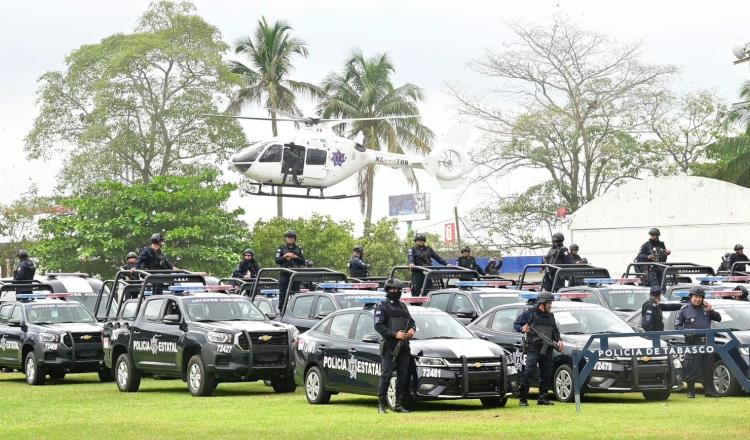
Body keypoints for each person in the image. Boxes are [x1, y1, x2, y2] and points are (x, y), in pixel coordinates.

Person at [513, 292, 563, 406]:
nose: (550, 305)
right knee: (529, 372)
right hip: (533, 348)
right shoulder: (529, 313)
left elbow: (555, 330)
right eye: (549, 303)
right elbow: (516, 324)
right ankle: (523, 399)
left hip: (547, 348)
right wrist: (522, 328)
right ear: (542, 303)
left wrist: (559, 340)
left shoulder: (551, 316)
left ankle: (543, 398)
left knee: (546, 373)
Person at [374, 278, 415, 414]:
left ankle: (398, 404)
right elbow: (378, 325)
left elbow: (412, 322)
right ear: (387, 290)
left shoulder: (403, 306)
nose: (395, 292)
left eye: (398, 290)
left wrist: (411, 330)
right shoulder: (382, 305)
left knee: (403, 376)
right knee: (386, 375)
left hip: (404, 345)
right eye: (393, 289)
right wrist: (394, 334)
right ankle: (381, 405)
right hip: (390, 346)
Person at [675, 286, 721, 398]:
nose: (698, 299)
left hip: (706, 342)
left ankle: (709, 391)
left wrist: (711, 310)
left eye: (700, 297)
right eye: (695, 297)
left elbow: (718, 318)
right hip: (692, 343)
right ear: (691, 297)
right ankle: (691, 391)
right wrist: (687, 331)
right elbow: (678, 326)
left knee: (708, 367)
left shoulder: (706, 309)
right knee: (692, 367)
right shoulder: (684, 310)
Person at [275, 230, 305, 311]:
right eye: (288, 237)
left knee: (296, 293)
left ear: (294, 238)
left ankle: (296, 310)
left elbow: (303, 261)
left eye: (292, 237)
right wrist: (285, 256)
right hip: (284, 273)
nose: (290, 239)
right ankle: (282, 310)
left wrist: (295, 257)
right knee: (283, 293)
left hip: (295, 274)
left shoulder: (298, 248)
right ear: (286, 238)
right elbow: (277, 260)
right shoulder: (281, 248)